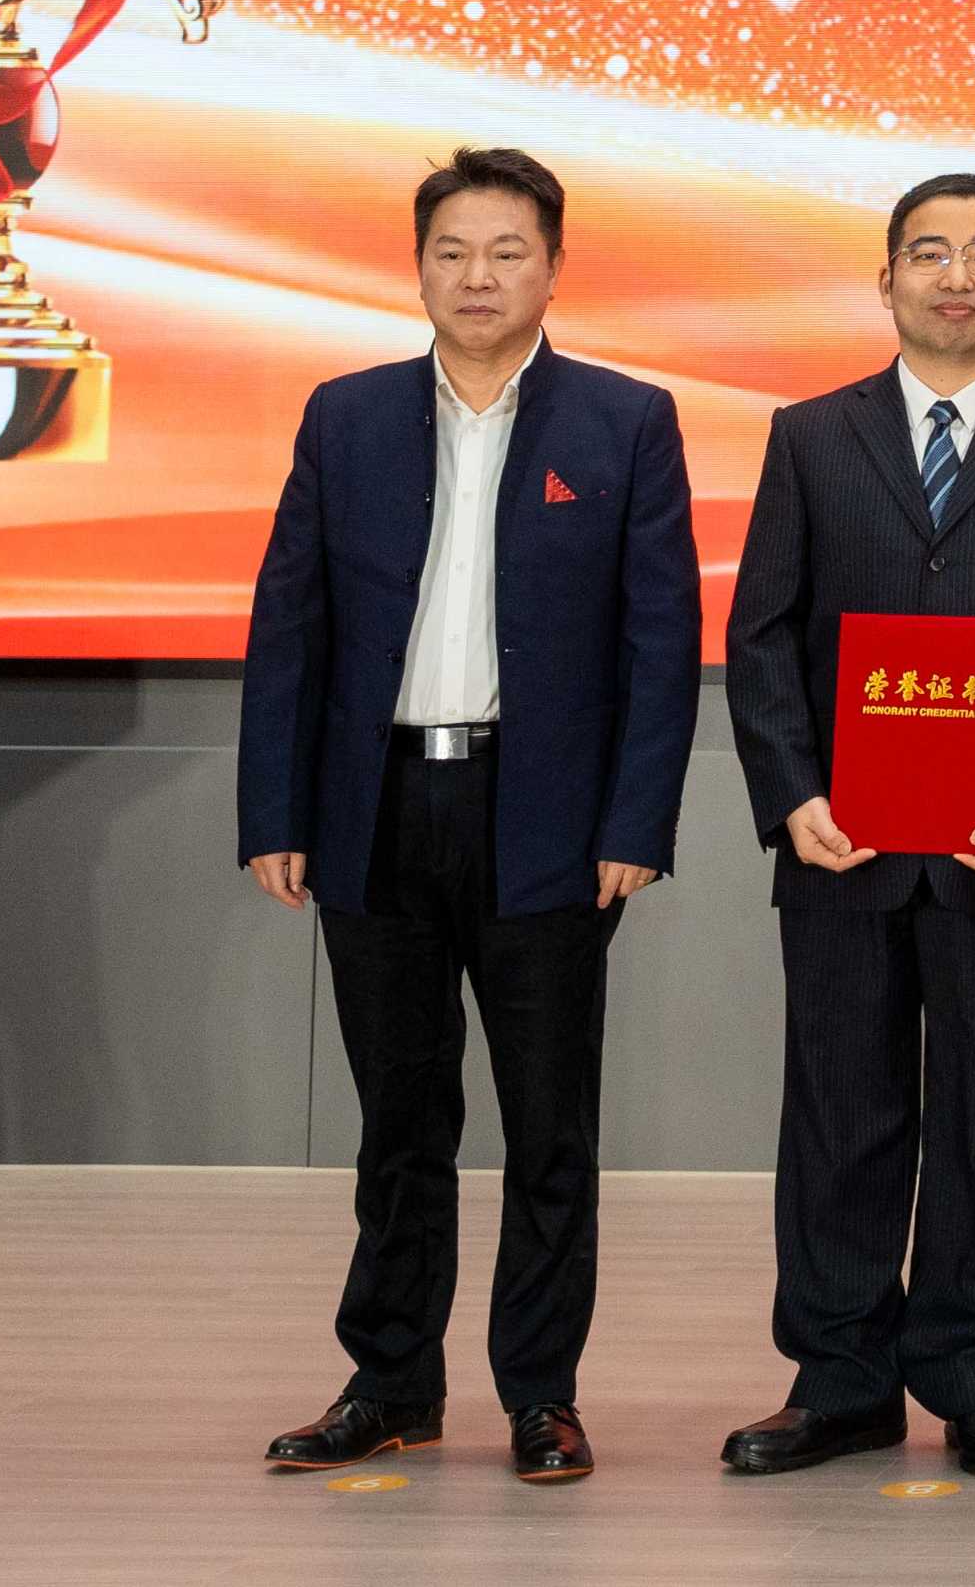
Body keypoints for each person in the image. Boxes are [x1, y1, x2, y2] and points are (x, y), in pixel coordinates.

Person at [236, 148, 696, 1487]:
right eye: (452, 251)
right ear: (418, 265)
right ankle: (390, 1382)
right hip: (374, 805)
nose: (478, 276)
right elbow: (290, 623)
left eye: (506, 251)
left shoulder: (625, 420)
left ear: (553, 268)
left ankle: (540, 1392)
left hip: (543, 817)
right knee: (399, 1121)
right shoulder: (346, 415)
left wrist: (637, 822)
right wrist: (276, 808)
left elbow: (661, 640)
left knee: (549, 1127)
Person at [717, 173, 975, 1481]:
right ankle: (840, 1378)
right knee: (838, 1112)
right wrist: (793, 796)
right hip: (841, 843)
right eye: (930, 253)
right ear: (887, 277)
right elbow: (761, 634)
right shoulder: (810, 435)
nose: (956, 277)